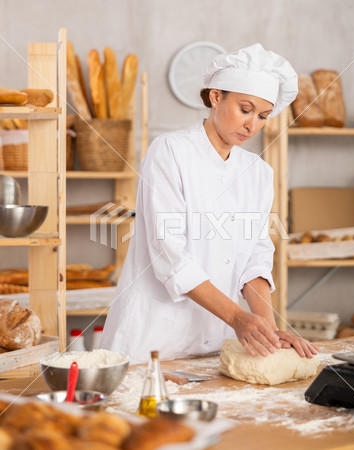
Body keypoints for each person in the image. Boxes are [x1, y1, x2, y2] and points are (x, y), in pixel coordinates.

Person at [101, 43, 318, 364]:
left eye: (263, 115)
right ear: (216, 97)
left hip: (219, 339)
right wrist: (237, 317)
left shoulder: (258, 171)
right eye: (245, 109)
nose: (252, 125)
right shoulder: (170, 151)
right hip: (154, 339)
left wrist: (267, 329)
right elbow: (169, 255)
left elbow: (255, 258)